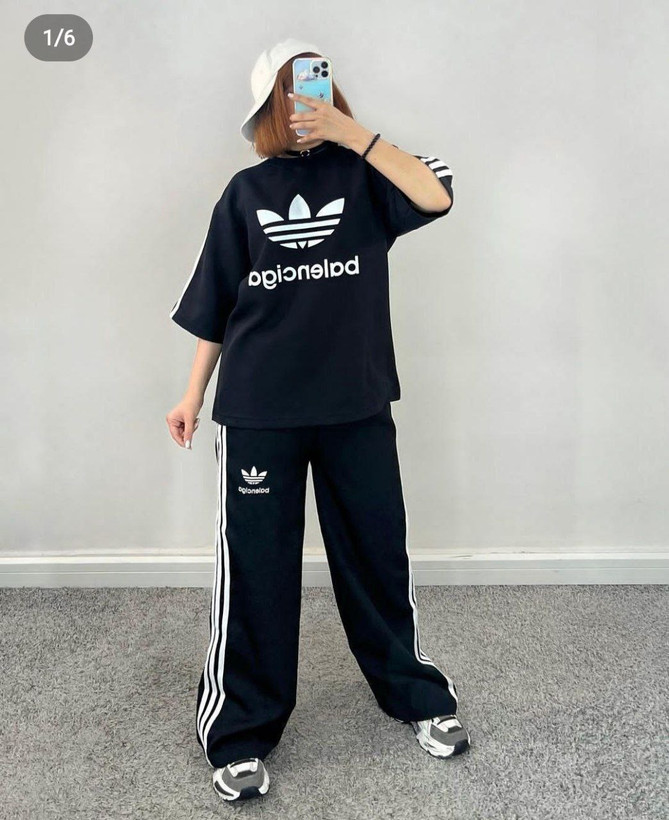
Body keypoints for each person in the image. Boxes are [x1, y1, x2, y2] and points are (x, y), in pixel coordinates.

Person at [166, 38, 471, 803]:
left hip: (355, 407)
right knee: (256, 572)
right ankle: (238, 732)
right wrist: (191, 394)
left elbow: (435, 195)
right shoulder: (244, 193)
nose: (307, 98)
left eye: (319, 83)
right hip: (260, 412)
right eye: (292, 88)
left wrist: (352, 135)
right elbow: (217, 303)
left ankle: (415, 696)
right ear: (268, 104)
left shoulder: (367, 175)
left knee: (376, 558)